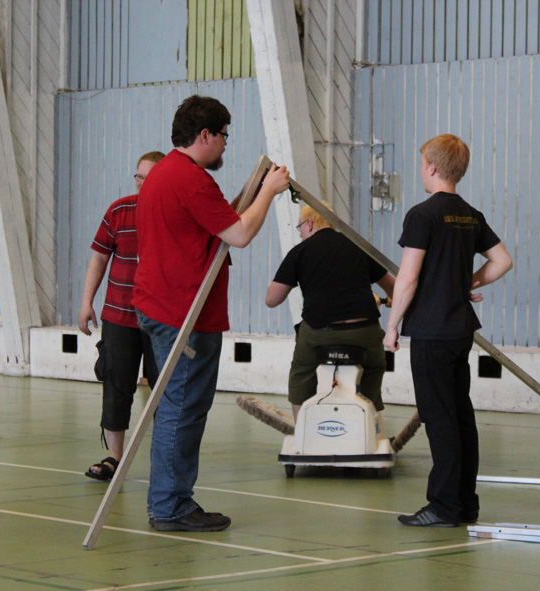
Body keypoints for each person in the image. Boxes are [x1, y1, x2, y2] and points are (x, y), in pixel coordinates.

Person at [132, 95, 290, 532]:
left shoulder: (165, 174)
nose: (224, 144)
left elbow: (220, 220)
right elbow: (239, 233)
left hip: (163, 305)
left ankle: (171, 500)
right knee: (182, 408)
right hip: (182, 312)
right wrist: (270, 193)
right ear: (204, 135)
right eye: (223, 136)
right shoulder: (190, 180)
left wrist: (253, 190)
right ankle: (169, 505)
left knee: (176, 406)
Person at [383, 134, 513, 528]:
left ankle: (443, 506)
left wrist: (392, 326)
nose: (421, 170)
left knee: (439, 419)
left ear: (433, 168)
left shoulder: (422, 215)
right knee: (459, 415)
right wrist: (467, 281)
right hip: (459, 329)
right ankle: (465, 503)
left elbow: (408, 278)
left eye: (422, 164)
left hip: (431, 329)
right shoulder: (470, 215)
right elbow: (502, 260)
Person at [78, 151, 165, 482]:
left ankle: (164, 459)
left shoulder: (172, 213)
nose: (141, 184)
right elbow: (99, 258)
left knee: (164, 390)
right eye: (138, 177)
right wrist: (86, 302)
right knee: (116, 386)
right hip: (118, 317)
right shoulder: (118, 210)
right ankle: (114, 457)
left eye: (149, 178)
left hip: (160, 320)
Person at [265, 204, 395, 420]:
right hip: (363, 331)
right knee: (374, 366)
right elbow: (394, 288)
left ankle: (301, 429)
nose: (299, 234)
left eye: (299, 228)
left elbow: (272, 300)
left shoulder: (299, 251)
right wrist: (389, 299)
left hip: (319, 332)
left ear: (309, 223)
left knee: (301, 371)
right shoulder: (358, 245)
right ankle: (370, 421)